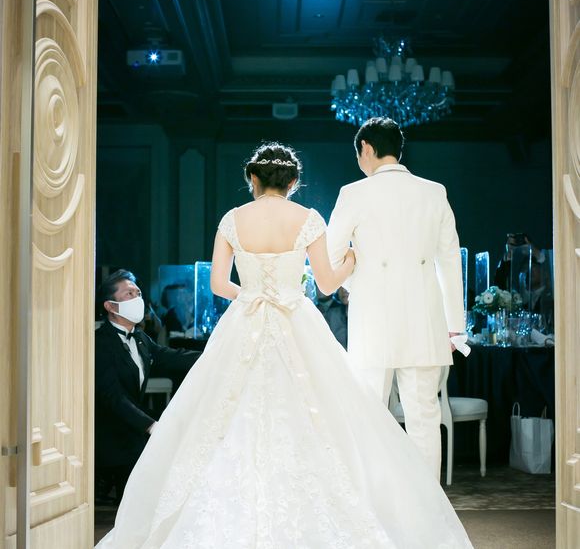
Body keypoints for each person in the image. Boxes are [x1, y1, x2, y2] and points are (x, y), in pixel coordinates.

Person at [96, 143, 472, 548]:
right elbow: (326, 283)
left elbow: (218, 284)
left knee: (226, 411)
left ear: (253, 179)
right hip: (297, 320)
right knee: (316, 411)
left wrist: (251, 295)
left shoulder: (232, 220)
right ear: (293, 181)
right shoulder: (308, 219)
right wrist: (350, 260)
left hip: (246, 320)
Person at [327, 117, 466, 479]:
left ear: (367, 148)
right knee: (424, 416)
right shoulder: (434, 192)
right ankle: (428, 501)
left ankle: (375, 497)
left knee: (370, 412)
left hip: (373, 317)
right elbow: (450, 261)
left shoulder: (353, 193)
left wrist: (360, 277)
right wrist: (456, 327)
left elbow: (331, 257)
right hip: (425, 318)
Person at [95, 270, 201, 502]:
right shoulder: (100, 343)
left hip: (133, 431)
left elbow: (171, 357)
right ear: (110, 306)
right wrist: (151, 426)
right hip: (111, 436)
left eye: (139, 293)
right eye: (129, 294)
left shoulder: (141, 338)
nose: (137, 299)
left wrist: (215, 354)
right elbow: (113, 397)